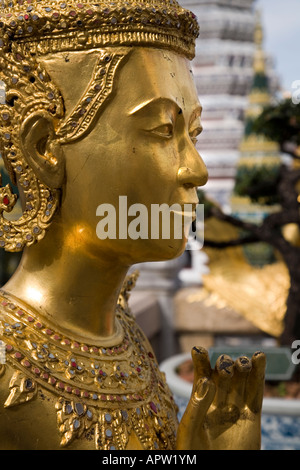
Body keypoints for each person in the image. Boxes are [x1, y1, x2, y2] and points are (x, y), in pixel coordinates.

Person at [0, 0, 266, 450]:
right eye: (164, 130)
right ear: (45, 146)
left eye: (193, 134)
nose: (197, 170)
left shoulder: (126, 334)